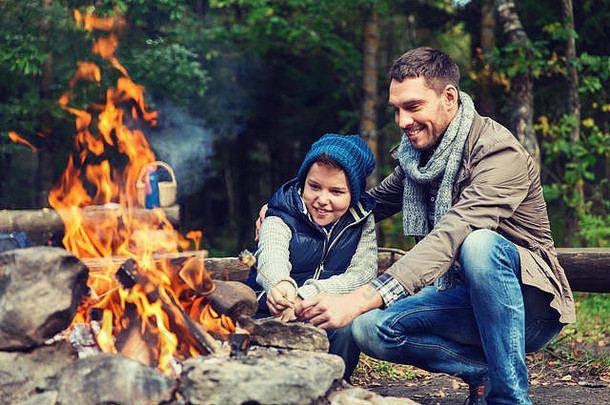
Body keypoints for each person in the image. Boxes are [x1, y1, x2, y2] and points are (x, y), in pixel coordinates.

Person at [281, 47, 576, 405]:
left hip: (531, 310)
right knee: (367, 328)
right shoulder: (419, 160)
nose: (403, 121)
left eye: (413, 107)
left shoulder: (500, 153)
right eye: (396, 109)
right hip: (462, 299)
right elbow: (367, 206)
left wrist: (359, 297)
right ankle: (481, 371)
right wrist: (286, 209)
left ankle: (509, 397)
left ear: (448, 97)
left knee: (479, 244)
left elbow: (453, 233)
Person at [245, 133, 378, 380]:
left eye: (337, 191)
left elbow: (363, 273)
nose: (322, 200)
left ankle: (336, 382)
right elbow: (271, 253)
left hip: (321, 309)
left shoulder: (361, 219)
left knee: (347, 327)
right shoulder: (282, 212)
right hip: (272, 308)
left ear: (354, 194)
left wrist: (305, 296)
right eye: (314, 187)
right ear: (303, 182)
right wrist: (281, 285)